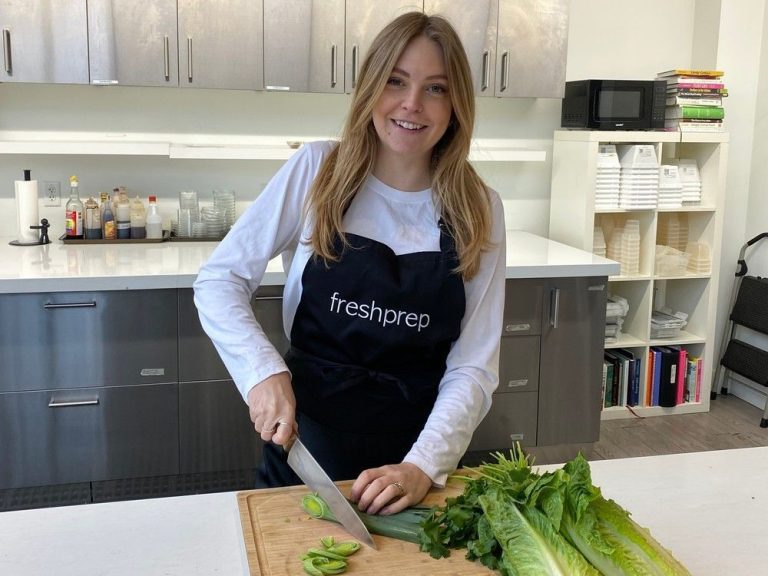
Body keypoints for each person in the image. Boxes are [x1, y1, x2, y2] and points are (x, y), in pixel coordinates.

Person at [193, 11, 506, 516]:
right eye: (396, 81)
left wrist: (423, 466)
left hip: (414, 468)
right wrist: (261, 372)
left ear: (456, 106)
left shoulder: (479, 207)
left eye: (436, 89)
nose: (411, 104)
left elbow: (473, 365)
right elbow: (219, 279)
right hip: (304, 456)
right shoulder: (319, 170)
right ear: (370, 88)